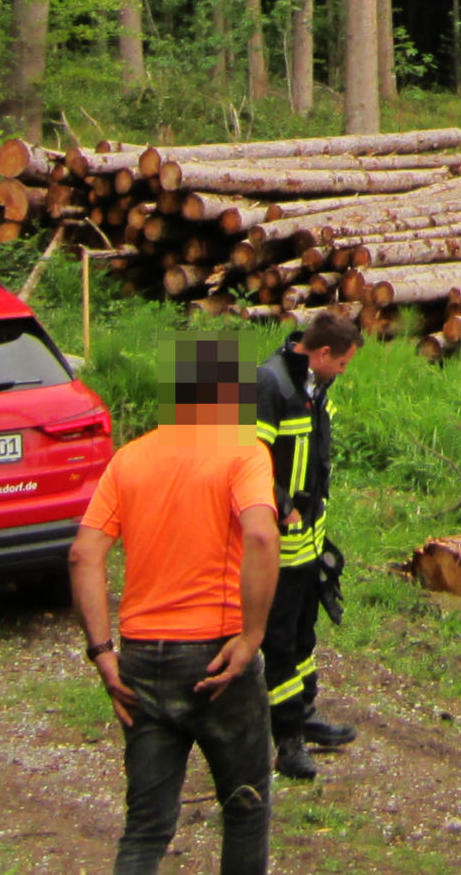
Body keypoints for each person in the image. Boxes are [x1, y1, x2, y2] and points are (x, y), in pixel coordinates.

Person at [71, 335, 280, 875]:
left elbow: (83, 555)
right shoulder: (243, 451)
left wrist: (102, 653)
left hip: (140, 660)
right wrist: (253, 635)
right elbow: (260, 536)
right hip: (217, 659)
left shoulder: (129, 459)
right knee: (245, 810)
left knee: (145, 828)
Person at [256, 308, 362, 780]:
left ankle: (304, 713)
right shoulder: (271, 384)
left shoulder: (315, 387)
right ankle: (287, 741)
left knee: (303, 637)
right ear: (321, 353)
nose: (344, 371)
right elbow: (250, 460)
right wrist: (281, 506)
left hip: (309, 541)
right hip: (276, 546)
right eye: (342, 363)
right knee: (278, 642)